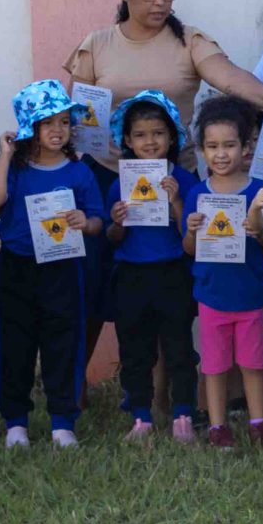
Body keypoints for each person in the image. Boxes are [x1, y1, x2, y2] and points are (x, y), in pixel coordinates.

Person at [64, 0, 263, 167]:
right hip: (108, 170)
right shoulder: (97, 44)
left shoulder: (191, 41)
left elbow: (230, 77)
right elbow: (75, 114)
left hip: (176, 172)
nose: (160, 2)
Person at [0, 81, 104, 448]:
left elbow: (99, 220)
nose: (58, 130)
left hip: (63, 267)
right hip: (16, 266)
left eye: (64, 122)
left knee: (63, 343)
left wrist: (85, 222)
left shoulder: (79, 170)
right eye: (47, 122)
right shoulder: (17, 168)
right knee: (14, 345)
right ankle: (16, 423)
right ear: (30, 128)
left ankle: (62, 421)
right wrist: (5, 154)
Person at [102, 91, 201, 441]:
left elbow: (191, 236)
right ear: (127, 140)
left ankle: (183, 415)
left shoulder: (186, 181)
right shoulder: (119, 183)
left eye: (158, 133)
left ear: (172, 136)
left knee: (178, 348)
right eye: (140, 135)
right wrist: (117, 222)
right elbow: (113, 237)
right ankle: (141, 417)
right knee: (135, 348)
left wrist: (175, 201)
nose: (150, 141)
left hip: (173, 272)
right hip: (132, 274)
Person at [186, 96, 263, 447]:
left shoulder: (260, 192)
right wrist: (192, 229)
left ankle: (258, 420)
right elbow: (188, 250)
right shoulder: (196, 194)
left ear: (246, 148)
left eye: (229, 145)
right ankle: (218, 426)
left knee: (253, 364)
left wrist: (258, 232)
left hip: (251, 294)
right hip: (212, 295)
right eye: (212, 146)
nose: (221, 154)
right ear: (202, 150)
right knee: (215, 365)